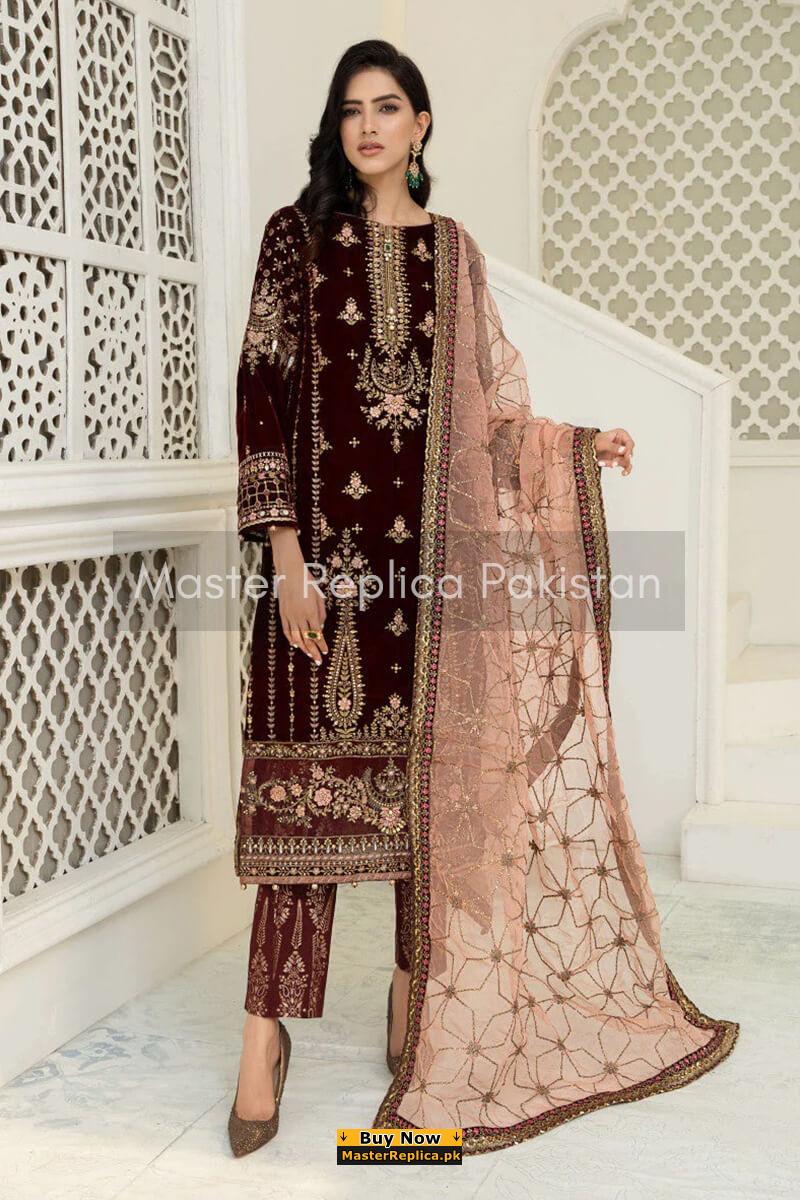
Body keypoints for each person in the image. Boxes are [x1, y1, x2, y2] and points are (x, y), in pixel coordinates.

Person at [229, 39, 739, 1158]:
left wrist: (574, 445)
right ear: (337, 127)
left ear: (420, 125)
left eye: (389, 107)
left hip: (433, 586)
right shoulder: (294, 237)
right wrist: (284, 555)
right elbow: (260, 390)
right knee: (298, 813)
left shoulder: (453, 253)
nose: (369, 125)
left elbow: (491, 416)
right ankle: (263, 1035)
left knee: (431, 809)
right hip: (317, 579)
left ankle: (417, 1008)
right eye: (351, 109)